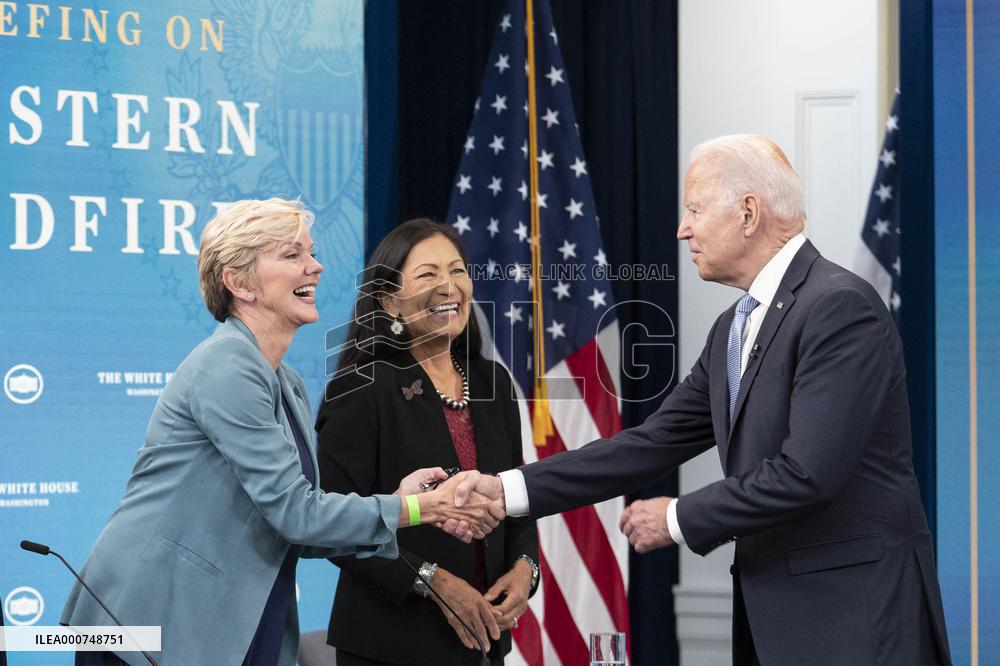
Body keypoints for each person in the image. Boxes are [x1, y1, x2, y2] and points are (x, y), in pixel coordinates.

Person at [458, 136, 952, 665]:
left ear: (748, 213)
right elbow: (652, 443)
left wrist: (677, 518)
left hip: (854, 624)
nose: (682, 229)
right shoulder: (731, 329)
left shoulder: (839, 306)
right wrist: (506, 491)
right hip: (778, 625)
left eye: (694, 209)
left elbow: (807, 473)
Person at [60, 199, 501, 666]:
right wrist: (419, 507)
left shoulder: (285, 381)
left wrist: (400, 502)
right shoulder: (226, 364)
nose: (316, 266)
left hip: (232, 619)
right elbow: (296, 512)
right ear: (239, 283)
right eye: (292, 255)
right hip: (149, 616)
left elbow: (301, 531)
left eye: (310, 253)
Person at [316, 218, 539, 665]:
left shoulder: (493, 382)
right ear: (389, 301)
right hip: (389, 645)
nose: (448, 286)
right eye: (427, 274)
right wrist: (431, 580)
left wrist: (525, 569)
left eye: (457, 271)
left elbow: (517, 498)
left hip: (483, 641)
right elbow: (334, 526)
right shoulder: (361, 386)